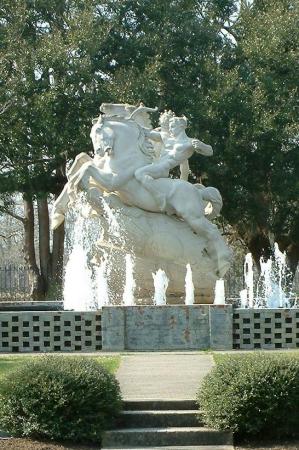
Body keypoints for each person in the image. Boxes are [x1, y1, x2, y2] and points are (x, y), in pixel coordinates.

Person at [135, 113, 213, 210]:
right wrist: (134, 124)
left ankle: (159, 196)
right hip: (155, 165)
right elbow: (148, 133)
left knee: (139, 173)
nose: (170, 129)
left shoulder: (189, 143)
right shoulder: (166, 138)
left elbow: (210, 151)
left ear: (181, 127)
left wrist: (202, 146)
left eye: (172, 127)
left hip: (163, 169)